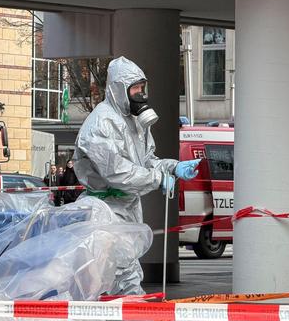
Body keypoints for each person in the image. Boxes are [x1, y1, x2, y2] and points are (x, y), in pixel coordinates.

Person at [73, 56, 201, 223]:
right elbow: (116, 171)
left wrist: (172, 167)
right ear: (119, 89)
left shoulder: (135, 121)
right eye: (135, 88)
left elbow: (145, 161)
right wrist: (158, 178)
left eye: (142, 87)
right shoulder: (102, 122)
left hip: (128, 208)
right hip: (103, 212)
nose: (140, 93)